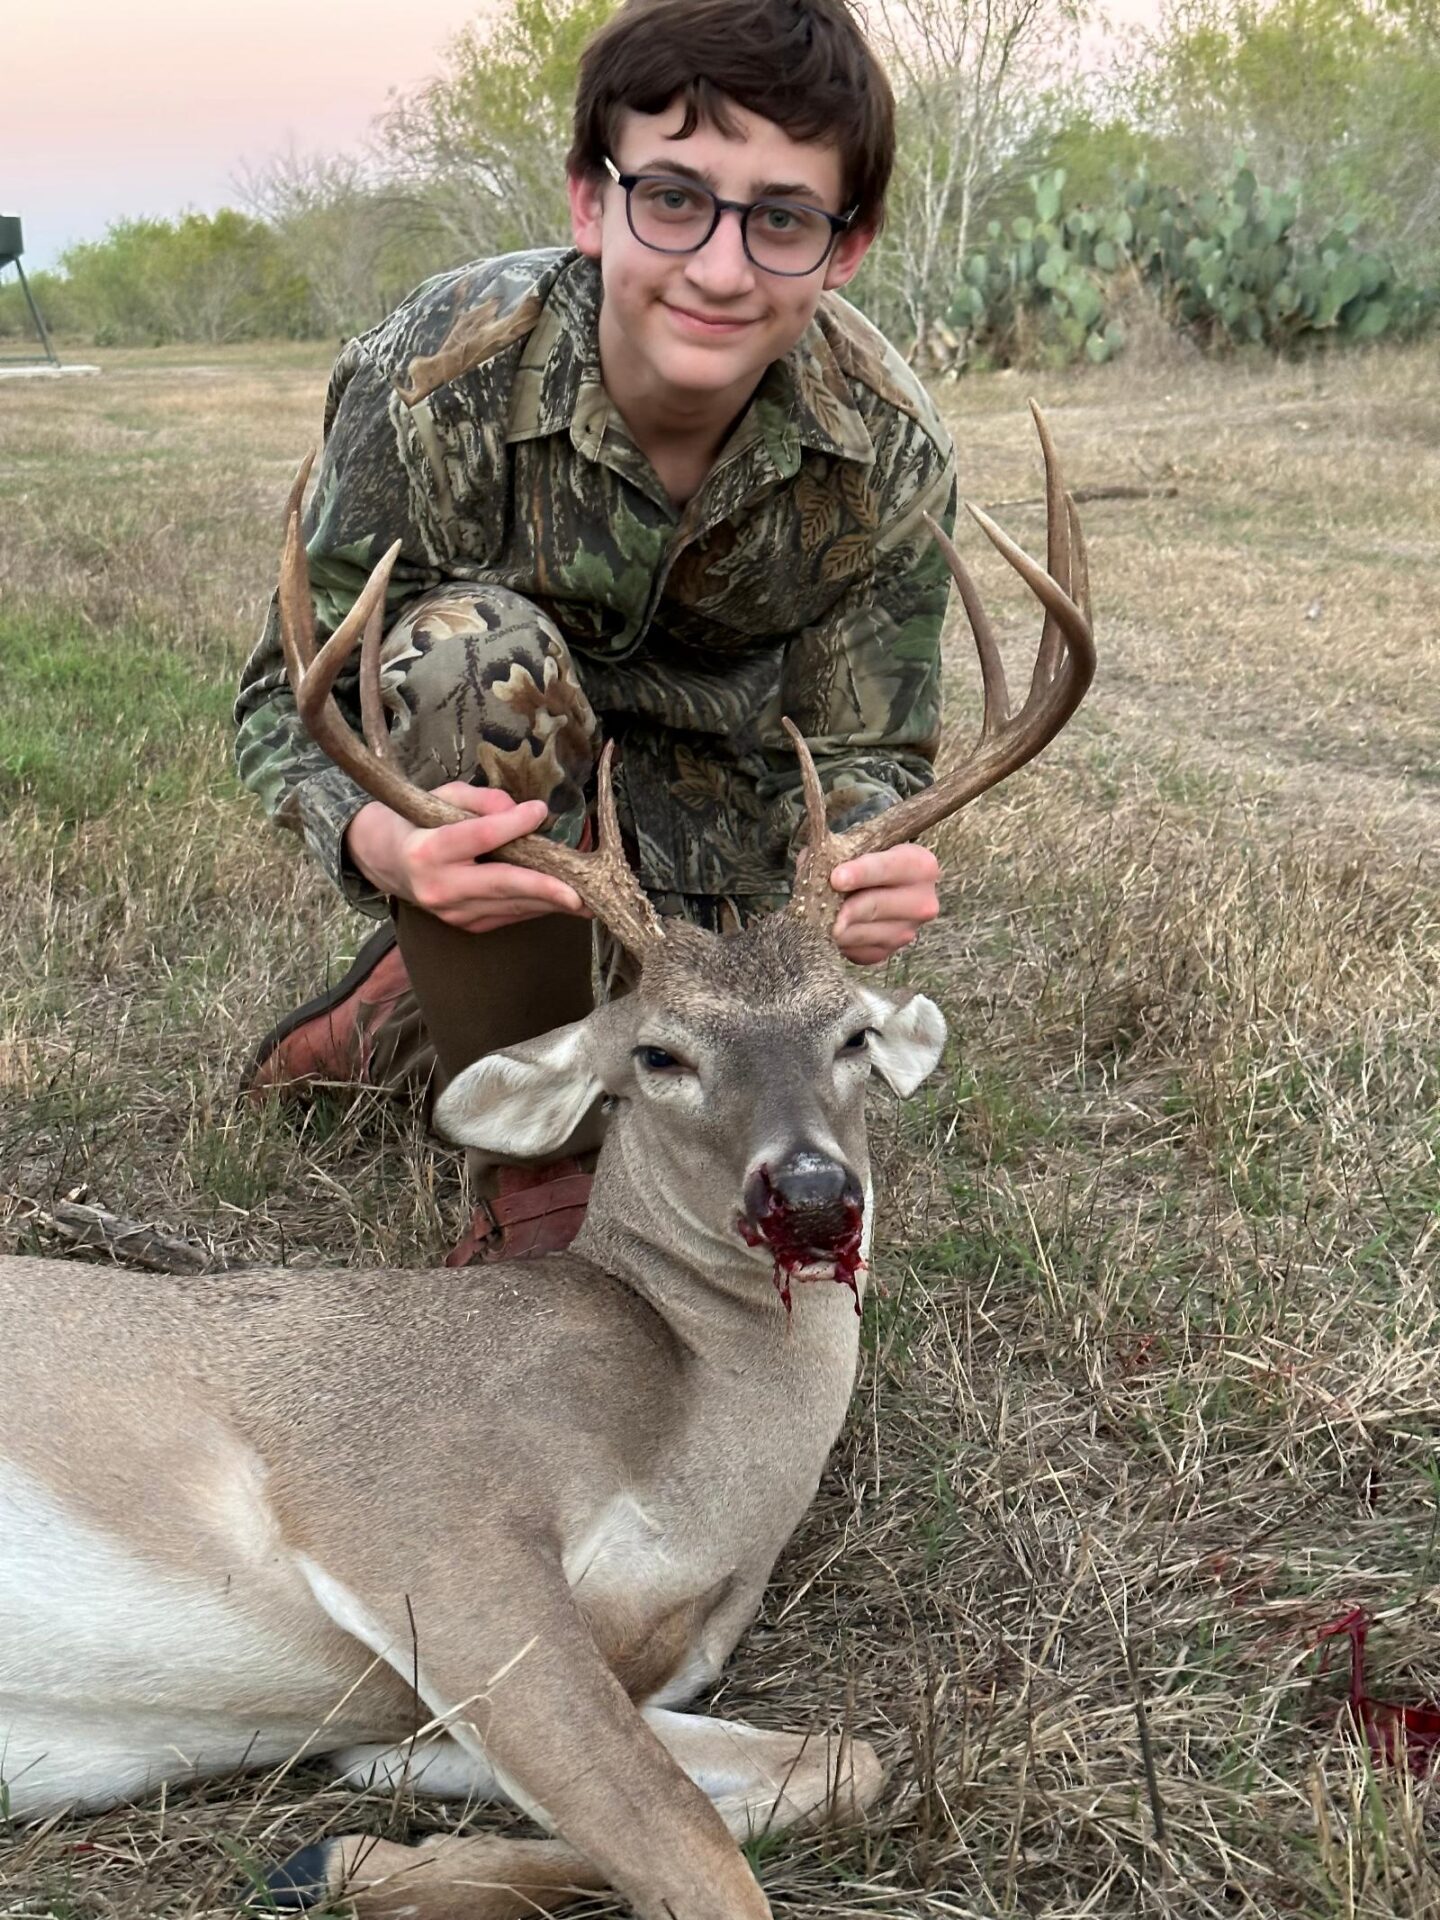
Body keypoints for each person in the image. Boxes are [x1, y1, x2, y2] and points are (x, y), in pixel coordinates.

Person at [234, 0, 956, 1263]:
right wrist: (383, 846)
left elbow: (872, 750)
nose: (721, 269)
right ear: (589, 200)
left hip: (729, 861)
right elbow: (277, 702)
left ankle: (407, 1008)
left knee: (739, 1092)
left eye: (783, 218)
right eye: (673, 198)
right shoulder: (437, 378)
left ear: (847, 247)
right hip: (512, 817)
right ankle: (539, 1176)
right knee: (473, 656)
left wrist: (866, 853)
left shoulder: (888, 446)